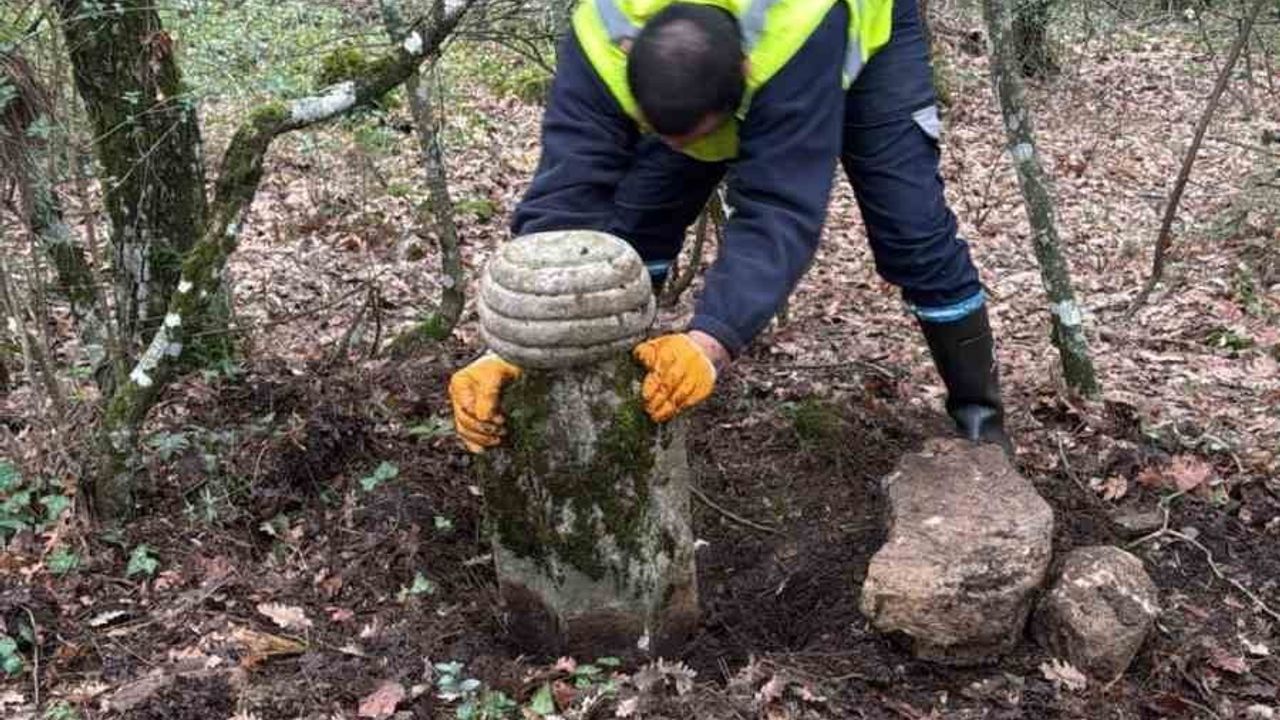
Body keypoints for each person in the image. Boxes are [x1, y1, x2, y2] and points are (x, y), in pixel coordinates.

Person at [449, 0, 1012, 455]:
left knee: (911, 232)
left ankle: (981, 424)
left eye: (695, 136)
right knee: (638, 219)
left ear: (745, 77)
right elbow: (566, 192)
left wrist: (711, 341)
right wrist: (520, 343)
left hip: (860, 35)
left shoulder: (797, 25)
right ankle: (610, 409)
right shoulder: (601, 30)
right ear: (629, 57)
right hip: (704, 62)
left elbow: (779, 207)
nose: (685, 150)